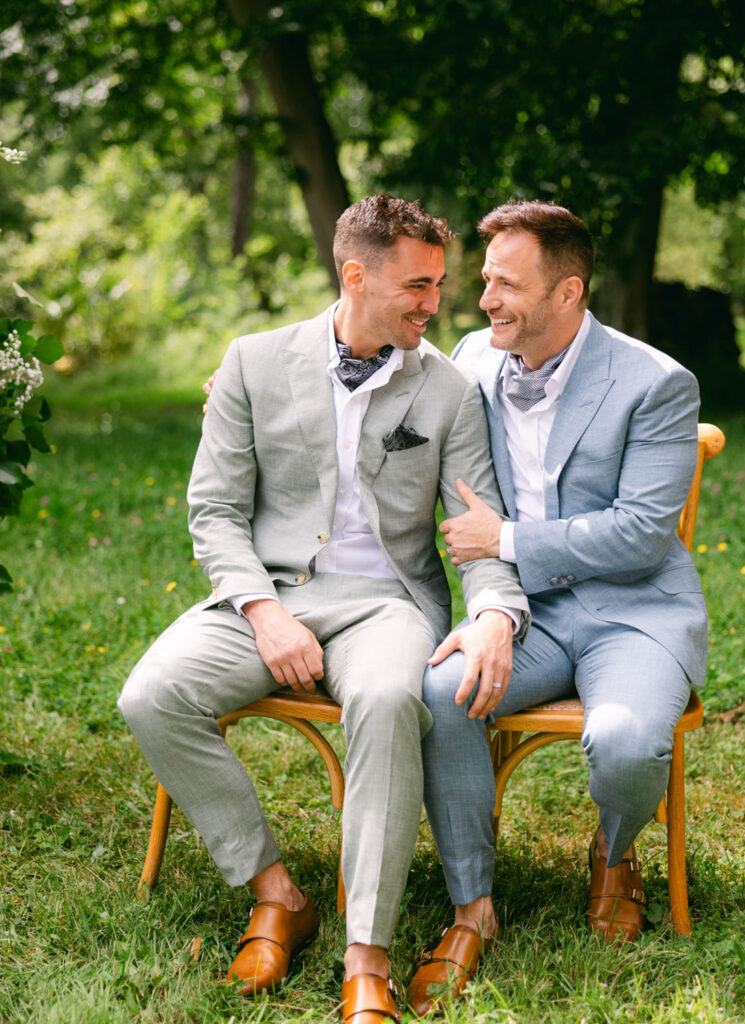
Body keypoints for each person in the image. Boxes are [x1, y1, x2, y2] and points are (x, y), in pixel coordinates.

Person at [118, 194, 528, 1023]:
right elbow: (216, 512)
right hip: (269, 592)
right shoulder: (252, 362)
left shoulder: (448, 390)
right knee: (151, 696)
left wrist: (492, 613)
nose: (433, 302)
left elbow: (478, 532)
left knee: (385, 698)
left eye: (440, 284)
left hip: (388, 606)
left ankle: (365, 951)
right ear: (355, 275)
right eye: (417, 285)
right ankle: (276, 893)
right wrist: (265, 611)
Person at [406, 200, 705, 1015]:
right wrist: (256, 379)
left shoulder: (656, 382)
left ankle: (613, 852)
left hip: (632, 611)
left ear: (568, 292)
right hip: (521, 612)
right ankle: (472, 904)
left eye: (507, 283)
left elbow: (644, 535)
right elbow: (383, 370)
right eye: (487, 281)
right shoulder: (471, 357)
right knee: (443, 692)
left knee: (629, 744)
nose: (487, 299)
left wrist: (505, 539)